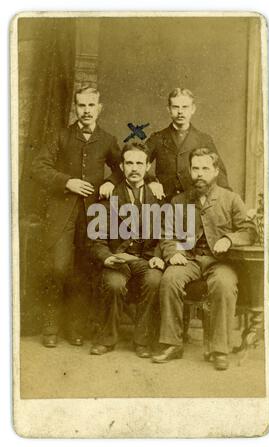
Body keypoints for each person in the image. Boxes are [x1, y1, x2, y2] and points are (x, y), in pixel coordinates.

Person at [31, 86, 122, 348]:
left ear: (99, 108)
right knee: (58, 267)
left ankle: (74, 325)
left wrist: (110, 181)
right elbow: (38, 167)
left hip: (91, 214)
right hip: (61, 214)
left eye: (91, 105)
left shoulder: (107, 139)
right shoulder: (61, 136)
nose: (86, 110)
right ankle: (50, 325)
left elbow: (121, 168)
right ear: (75, 107)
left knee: (83, 270)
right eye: (81, 105)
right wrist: (66, 181)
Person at [152, 147, 256, 370]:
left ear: (216, 171)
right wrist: (173, 253)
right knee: (170, 278)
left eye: (205, 168)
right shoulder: (179, 201)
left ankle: (220, 349)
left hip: (220, 262)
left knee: (224, 284)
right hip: (188, 259)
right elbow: (167, 235)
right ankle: (172, 344)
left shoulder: (230, 199)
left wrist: (228, 239)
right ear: (190, 171)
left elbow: (249, 230)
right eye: (195, 168)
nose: (199, 174)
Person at [89, 142, 164, 358]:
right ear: (121, 166)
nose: (134, 168)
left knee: (154, 281)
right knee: (114, 284)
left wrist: (157, 257)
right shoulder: (108, 198)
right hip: (117, 260)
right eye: (129, 162)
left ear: (148, 166)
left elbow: (165, 236)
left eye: (140, 163)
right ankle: (107, 338)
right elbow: (96, 240)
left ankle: (142, 340)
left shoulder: (157, 199)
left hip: (146, 260)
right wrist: (106, 258)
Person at [146, 88, 230, 201]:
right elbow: (136, 162)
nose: (180, 111)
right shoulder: (157, 138)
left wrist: (227, 200)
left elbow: (219, 173)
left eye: (185, 107)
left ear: (193, 109)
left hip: (194, 202)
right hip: (164, 203)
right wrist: (150, 181)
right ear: (169, 110)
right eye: (175, 107)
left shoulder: (203, 139)